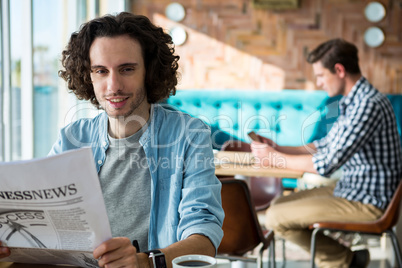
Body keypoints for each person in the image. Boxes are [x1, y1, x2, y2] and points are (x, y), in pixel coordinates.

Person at [0, 12, 224, 268]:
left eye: (126, 69)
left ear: (149, 71)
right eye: (101, 71)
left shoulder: (188, 134)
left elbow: (204, 236)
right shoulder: (72, 138)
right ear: (89, 76)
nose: (113, 85)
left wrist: (145, 262)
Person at [251, 38, 402, 268]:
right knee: (279, 205)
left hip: (368, 202)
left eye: (321, 75)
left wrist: (273, 158)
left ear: (339, 70)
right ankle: (347, 259)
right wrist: (278, 147)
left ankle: (344, 260)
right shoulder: (355, 101)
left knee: (274, 217)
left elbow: (326, 164)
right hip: (352, 188)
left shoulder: (367, 105)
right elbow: (324, 145)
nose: (319, 82)